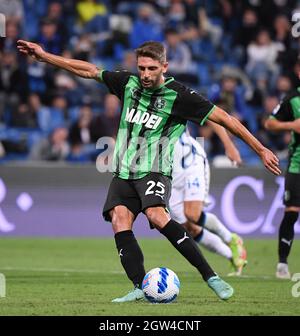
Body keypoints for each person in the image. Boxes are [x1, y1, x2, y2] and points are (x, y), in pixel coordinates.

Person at [17, 39, 281, 303]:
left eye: (151, 68)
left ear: (164, 66)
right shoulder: (128, 83)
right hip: (123, 171)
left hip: (154, 170)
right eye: (141, 68)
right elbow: (89, 70)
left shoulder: (179, 95)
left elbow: (224, 118)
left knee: (157, 216)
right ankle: (138, 286)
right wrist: (45, 56)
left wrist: (259, 150)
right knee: (120, 220)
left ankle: (211, 276)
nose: (144, 74)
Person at [170, 126, 247, 276]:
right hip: (171, 170)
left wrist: (229, 145)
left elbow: (213, 116)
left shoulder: (173, 102)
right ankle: (233, 256)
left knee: (192, 214)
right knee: (188, 228)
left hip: (191, 162)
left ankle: (231, 239)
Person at [264, 78, 300, 279]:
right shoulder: (293, 98)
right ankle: (282, 264)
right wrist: (291, 125)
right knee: (292, 212)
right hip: (297, 165)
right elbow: (269, 123)